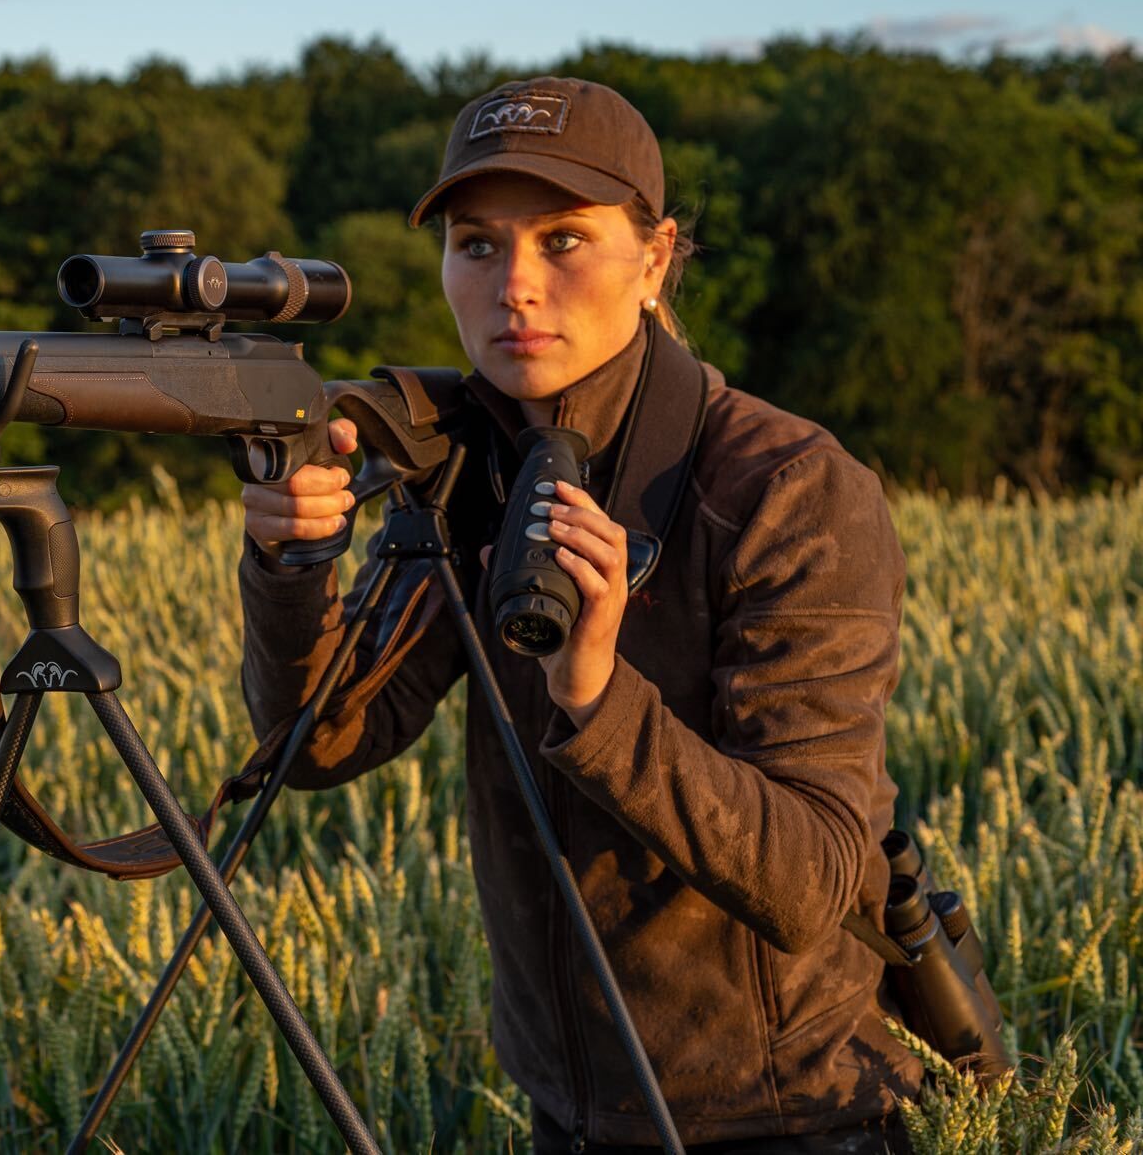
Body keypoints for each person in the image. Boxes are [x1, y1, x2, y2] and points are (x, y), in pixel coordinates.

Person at [237, 77, 923, 1153]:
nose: (513, 285)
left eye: (561, 241)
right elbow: (321, 740)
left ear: (653, 260)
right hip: (565, 1114)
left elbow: (811, 878)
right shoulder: (467, 464)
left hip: (789, 1120)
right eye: (474, 244)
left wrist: (596, 696)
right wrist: (291, 565)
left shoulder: (786, 488)